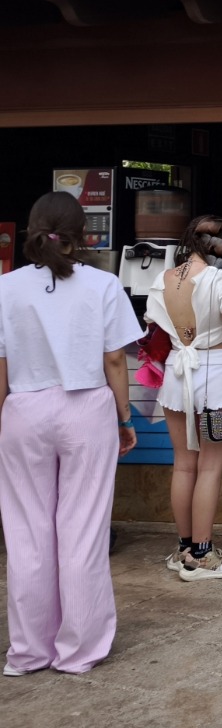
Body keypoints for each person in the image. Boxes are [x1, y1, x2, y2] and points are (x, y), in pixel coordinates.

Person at [0, 191, 143, 676]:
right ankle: (79, 650)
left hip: (23, 409)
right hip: (86, 408)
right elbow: (114, 360)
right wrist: (124, 418)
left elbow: (1, 363)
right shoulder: (103, 284)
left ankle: (28, 651)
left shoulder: (6, 287)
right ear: (84, 235)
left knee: (26, 533)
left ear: (33, 229)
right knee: (82, 529)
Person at [143, 215, 222, 581]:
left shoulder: (163, 277)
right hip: (217, 375)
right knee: (209, 468)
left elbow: (155, 324)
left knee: (183, 464)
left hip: (177, 372)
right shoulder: (220, 278)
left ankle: (184, 549)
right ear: (216, 244)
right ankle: (202, 556)